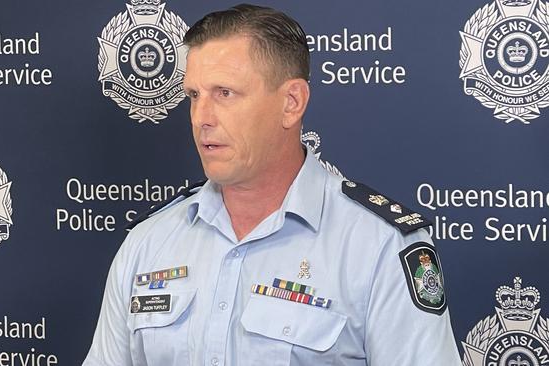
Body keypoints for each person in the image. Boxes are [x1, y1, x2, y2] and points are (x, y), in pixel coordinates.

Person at [83, 4, 462, 365]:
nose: (201, 118)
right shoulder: (149, 242)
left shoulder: (378, 246)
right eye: (194, 96)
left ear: (291, 103)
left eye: (225, 94)